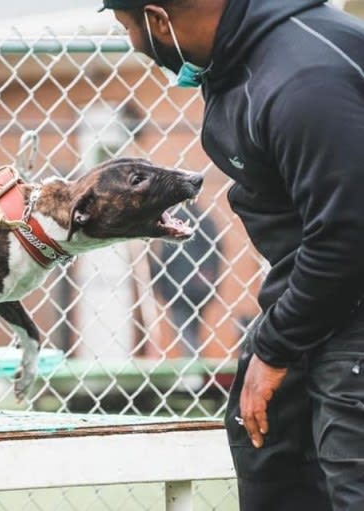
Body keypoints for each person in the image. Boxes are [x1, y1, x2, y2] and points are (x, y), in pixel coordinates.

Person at [98, 0, 364, 509]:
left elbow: (347, 236)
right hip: (319, 301)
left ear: (158, 20)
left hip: (348, 303)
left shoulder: (304, 80)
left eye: (125, 27)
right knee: (269, 458)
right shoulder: (244, 59)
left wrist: (276, 347)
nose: (132, 43)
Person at [149, 204, 221, 356]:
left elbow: (166, 256)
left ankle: (193, 366)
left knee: (184, 331)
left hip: (178, 286)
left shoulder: (176, 221)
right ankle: (195, 365)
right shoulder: (205, 219)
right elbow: (217, 249)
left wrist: (157, 281)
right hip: (200, 286)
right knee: (191, 329)